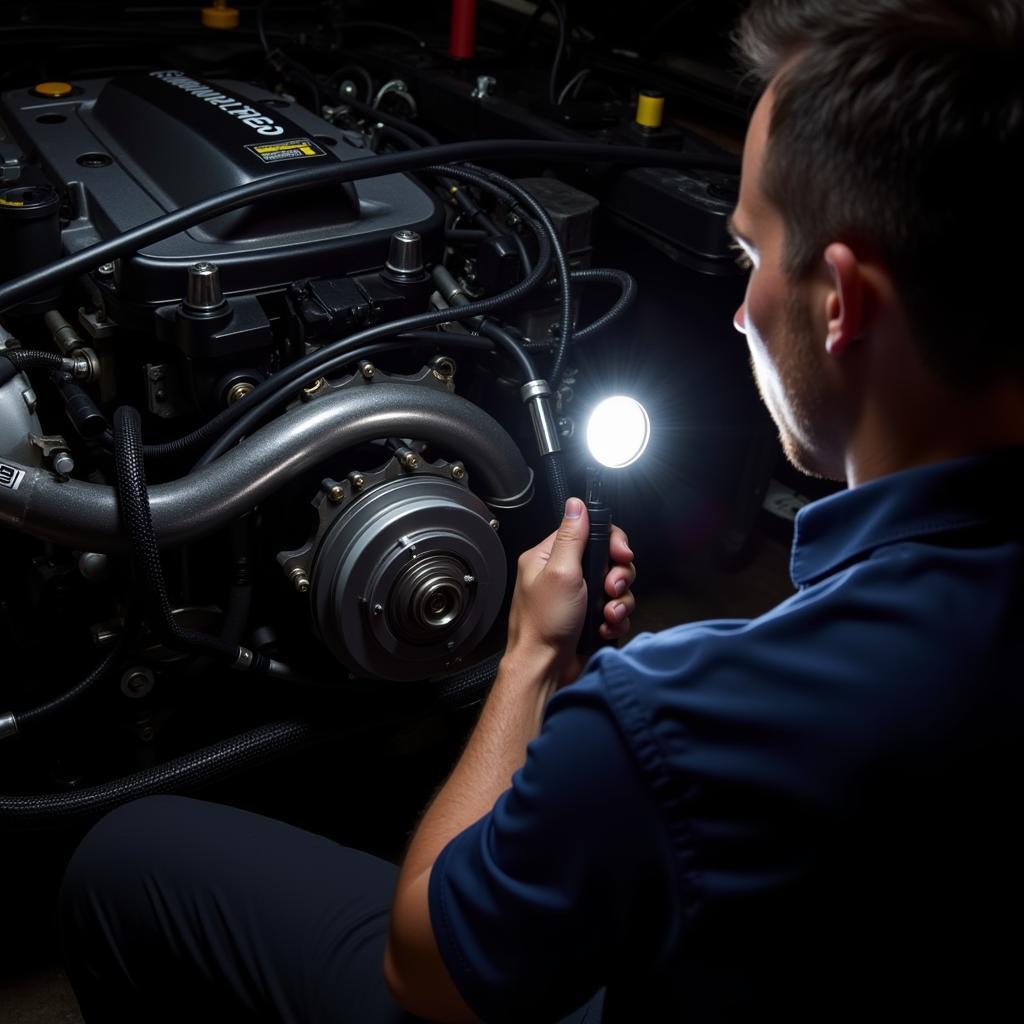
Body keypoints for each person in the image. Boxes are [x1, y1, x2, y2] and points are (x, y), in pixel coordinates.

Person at [60, 0, 1024, 1020]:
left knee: (128, 860)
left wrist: (526, 660)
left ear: (841, 301)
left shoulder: (677, 719)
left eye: (750, 256)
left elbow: (425, 970)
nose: (741, 312)